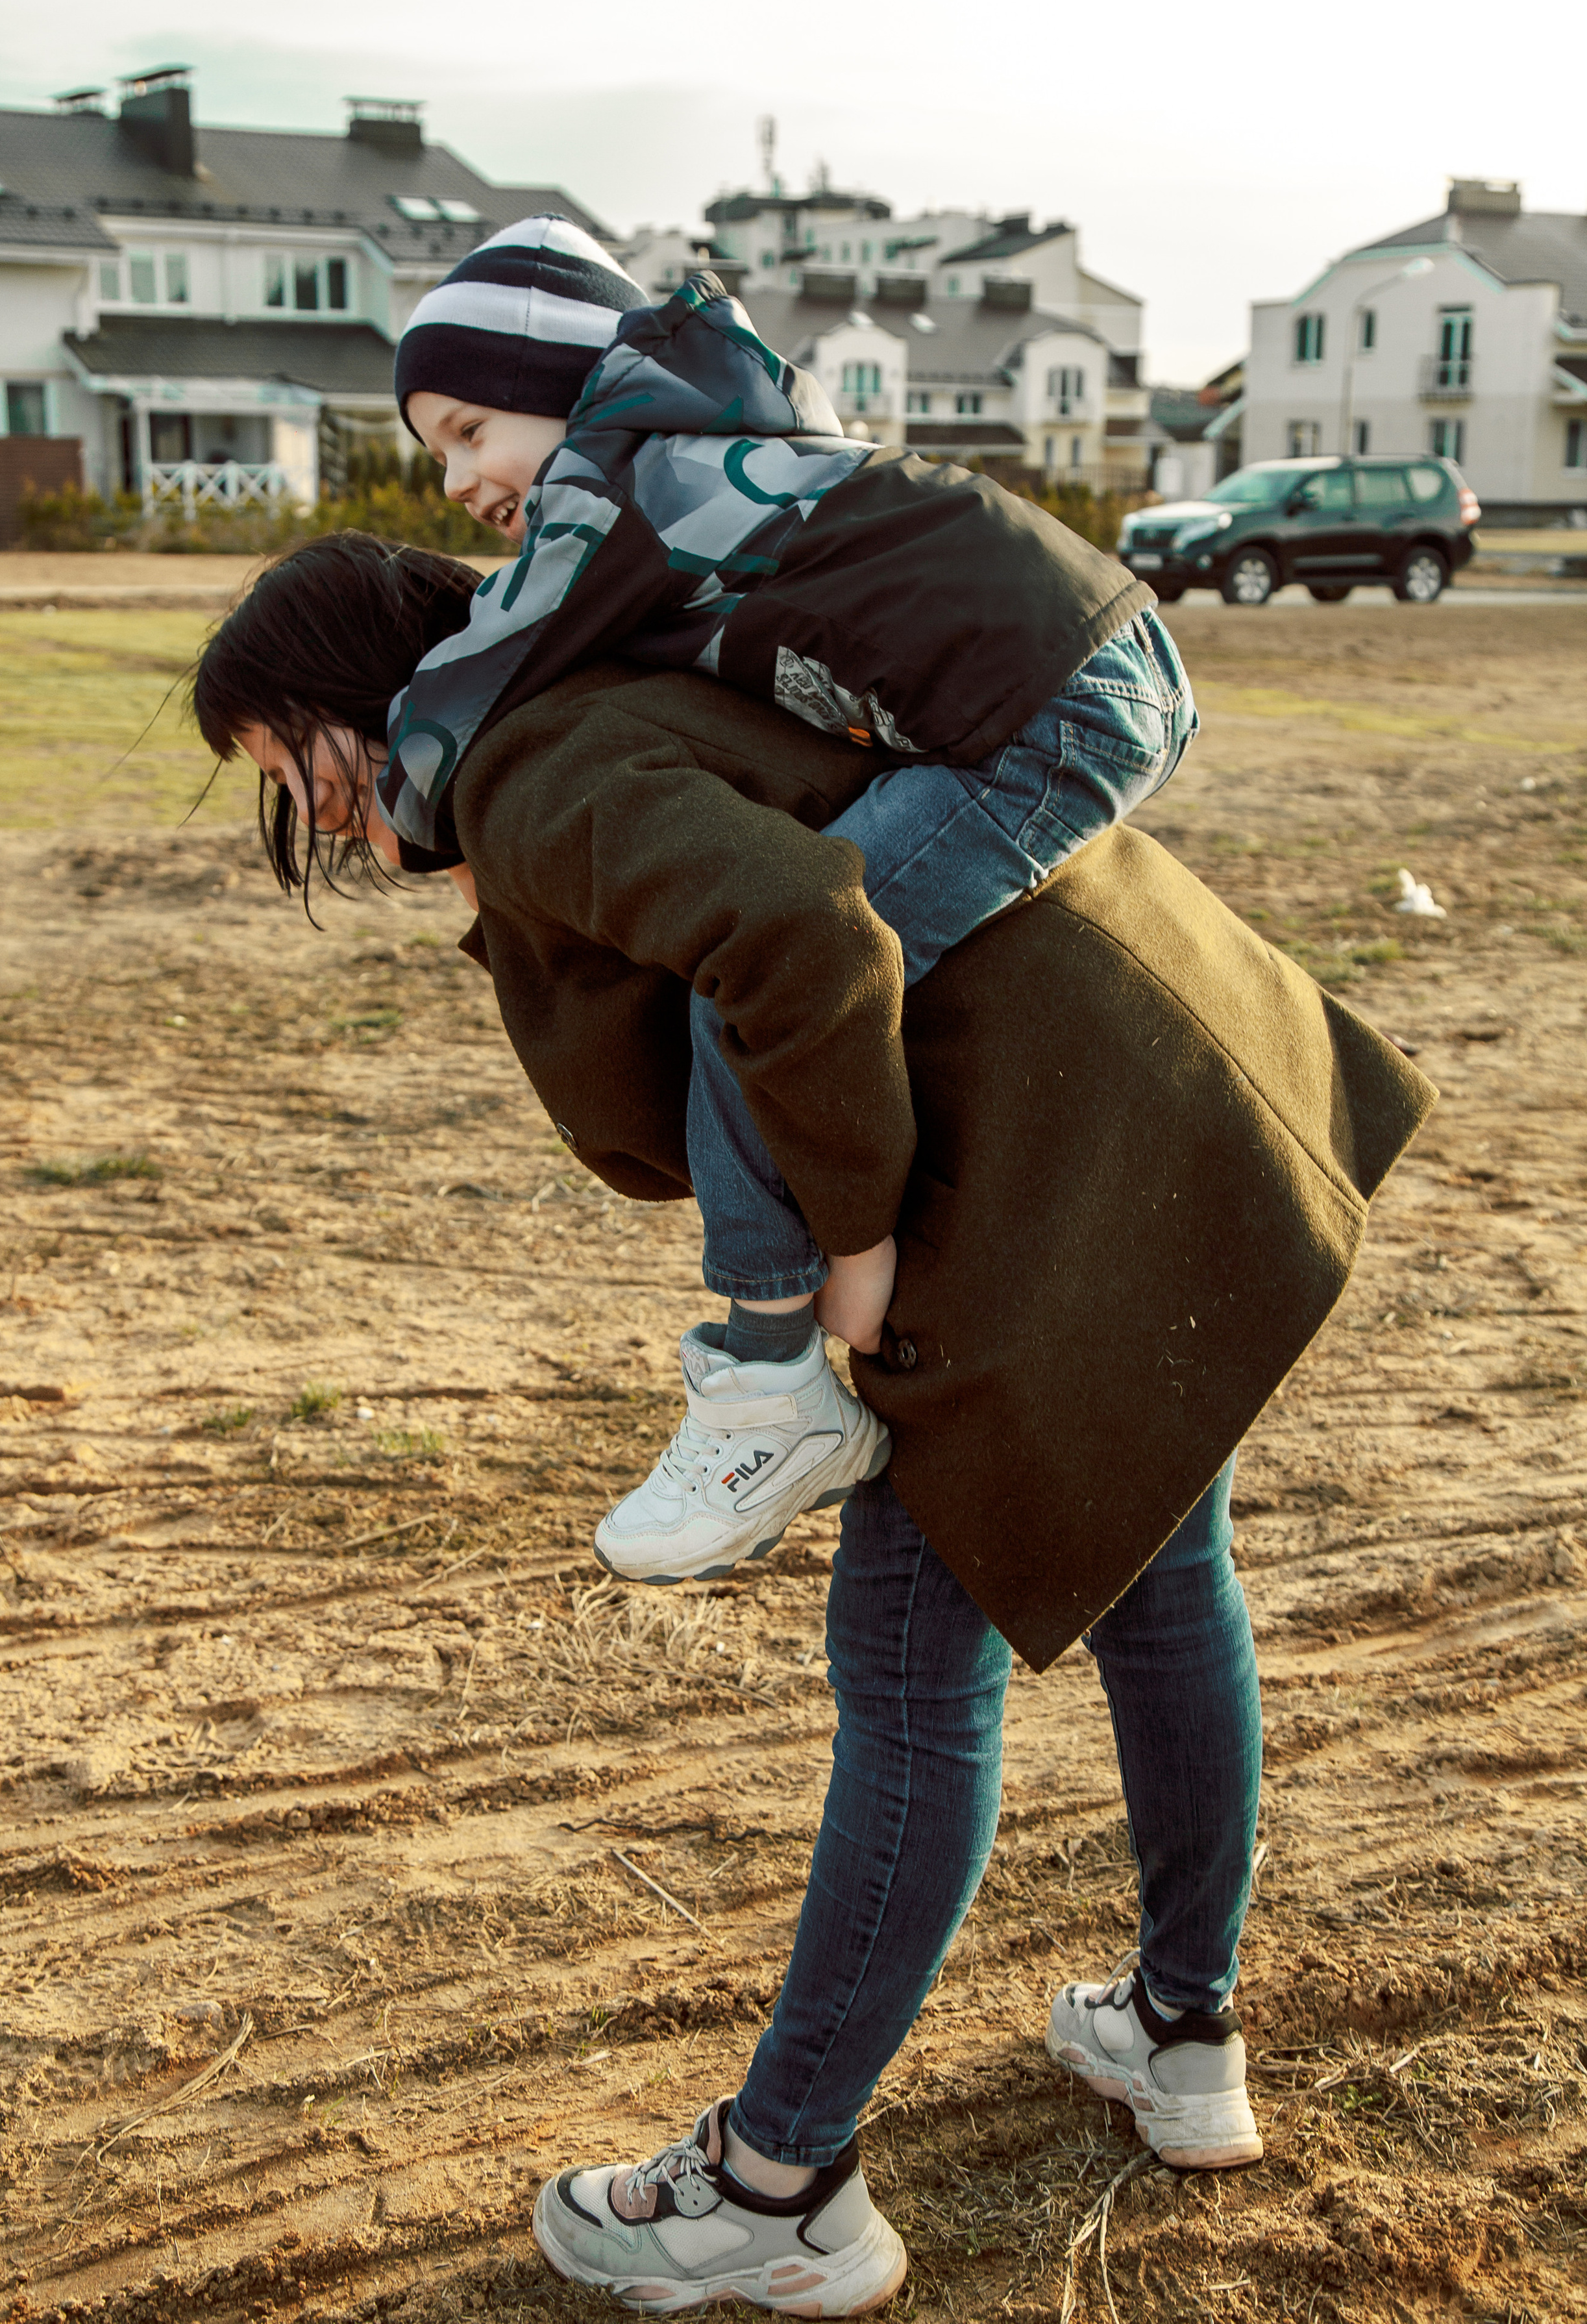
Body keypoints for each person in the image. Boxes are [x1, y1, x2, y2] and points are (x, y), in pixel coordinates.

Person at [190, 536, 1433, 2313]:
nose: (327, 833)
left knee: (915, 1686)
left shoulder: (542, 766)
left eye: (301, 775)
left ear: (366, 697)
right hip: (1160, 1098)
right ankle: (1182, 2034)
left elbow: (796, 940)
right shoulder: (599, 710)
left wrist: (829, 1268)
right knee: (1169, 1584)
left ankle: (779, 2188)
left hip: (1028, 1181)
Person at [383, 216, 1196, 1588]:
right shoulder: (698, 436)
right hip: (1074, 673)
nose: (458, 478)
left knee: (757, 989)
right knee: (788, 968)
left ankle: (767, 1382)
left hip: (1047, 713)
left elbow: (490, 664)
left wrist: (418, 819)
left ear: (563, 375)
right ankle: (794, 1340)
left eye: (469, 430)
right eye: (437, 456)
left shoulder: (622, 475)